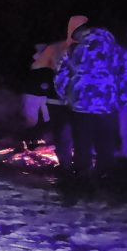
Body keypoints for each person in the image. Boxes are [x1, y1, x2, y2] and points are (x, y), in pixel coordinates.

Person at [55, 23, 127, 191]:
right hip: (108, 106)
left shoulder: (74, 50)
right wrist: (124, 99)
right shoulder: (118, 51)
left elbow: (62, 73)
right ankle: (105, 178)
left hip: (81, 106)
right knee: (106, 143)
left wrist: (66, 96)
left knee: (82, 144)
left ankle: (83, 180)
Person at [36, 15, 88, 171]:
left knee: (72, 134)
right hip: (61, 100)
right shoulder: (59, 49)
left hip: (76, 101)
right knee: (65, 133)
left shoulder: (85, 50)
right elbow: (42, 70)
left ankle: (75, 167)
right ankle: (69, 167)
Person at [20, 43, 53, 149]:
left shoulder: (50, 61)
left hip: (45, 96)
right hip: (31, 94)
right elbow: (26, 76)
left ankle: (45, 139)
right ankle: (29, 141)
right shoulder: (31, 61)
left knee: (47, 118)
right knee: (30, 119)